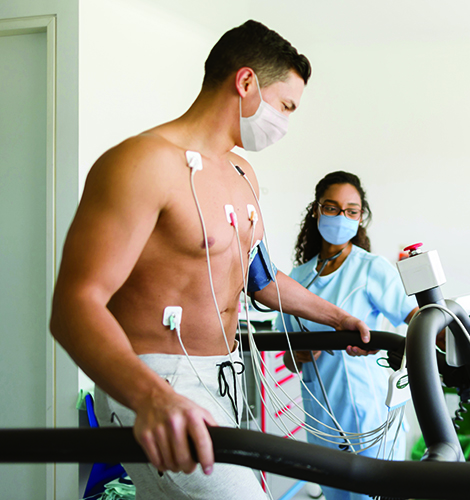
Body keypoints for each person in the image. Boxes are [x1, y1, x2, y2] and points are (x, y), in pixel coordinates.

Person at [49, 20, 372, 500]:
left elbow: (260, 279)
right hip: (160, 380)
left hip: (226, 376)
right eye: (284, 106)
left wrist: (338, 319)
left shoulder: (242, 174)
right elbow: (75, 306)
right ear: (245, 83)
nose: (285, 122)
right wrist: (151, 397)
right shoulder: (142, 163)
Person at [275, 171, 418, 500]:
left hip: (369, 409)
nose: (342, 217)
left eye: (352, 210)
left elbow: (415, 318)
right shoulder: (295, 279)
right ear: (316, 211)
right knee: (336, 492)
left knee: (374, 492)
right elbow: (286, 355)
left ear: (360, 217)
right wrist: (298, 355)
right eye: (333, 208)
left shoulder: (371, 268)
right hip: (320, 414)